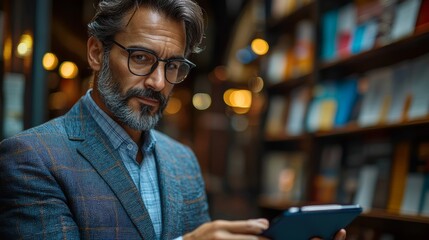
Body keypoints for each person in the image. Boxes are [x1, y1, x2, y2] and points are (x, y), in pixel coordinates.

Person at [0, 0, 347, 239]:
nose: (159, 82)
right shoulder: (30, 157)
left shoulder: (182, 161)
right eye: (140, 58)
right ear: (96, 53)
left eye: (173, 66)